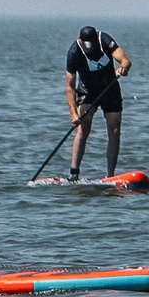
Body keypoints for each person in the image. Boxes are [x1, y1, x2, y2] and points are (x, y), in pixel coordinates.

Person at [64, 25, 133, 181]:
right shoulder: (74, 52)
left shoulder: (105, 40)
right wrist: (73, 114)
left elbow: (126, 61)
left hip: (110, 87)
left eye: (92, 44)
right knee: (84, 126)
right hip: (88, 91)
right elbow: (70, 86)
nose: (90, 48)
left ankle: (110, 175)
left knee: (114, 130)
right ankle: (74, 173)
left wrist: (123, 70)